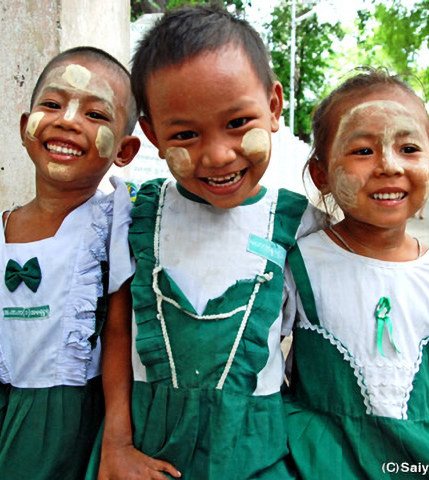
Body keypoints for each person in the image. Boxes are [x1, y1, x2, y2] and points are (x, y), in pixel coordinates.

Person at [92, 6, 327, 479]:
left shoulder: (301, 226)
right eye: (185, 134)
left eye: (238, 122)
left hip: (255, 455)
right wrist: (115, 444)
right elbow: (115, 335)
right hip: (145, 453)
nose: (218, 155)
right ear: (153, 134)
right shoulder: (135, 216)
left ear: (275, 106)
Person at [0, 46, 142, 480]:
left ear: (124, 150)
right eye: (52, 105)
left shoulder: (113, 227)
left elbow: (117, 334)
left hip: (68, 422)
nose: (68, 121)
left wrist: (118, 439)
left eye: (96, 115)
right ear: (25, 127)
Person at [282, 69, 429, 478]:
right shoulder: (302, 263)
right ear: (321, 175)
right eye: (362, 151)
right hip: (318, 454)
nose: (388, 166)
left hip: (418, 455)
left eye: (409, 148)